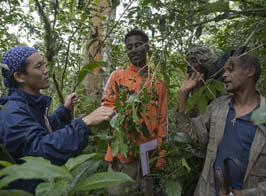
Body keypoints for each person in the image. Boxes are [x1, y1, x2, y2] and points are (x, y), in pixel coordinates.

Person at [0, 46, 114, 193]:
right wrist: (85, 122)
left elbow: (42, 131)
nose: (46, 70)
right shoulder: (12, 112)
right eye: (38, 66)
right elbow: (39, 151)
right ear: (20, 77)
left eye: (44, 64)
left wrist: (64, 112)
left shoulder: (28, 105)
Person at [176, 53, 266, 196]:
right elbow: (190, 135)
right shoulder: (218, 106)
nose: (224, 75)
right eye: (224, 71)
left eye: (230, 70)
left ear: (250, 71)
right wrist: (183, 95)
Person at [102, 29, 168, 195]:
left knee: (147, 191)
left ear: (147, 47)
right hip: (123, 157)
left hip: (148, 155)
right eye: (129, 47)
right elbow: (106, 109)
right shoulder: (118, 76)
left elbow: (162, 120)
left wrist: (161, 154)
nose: (133, 50)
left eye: (138, 45)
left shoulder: (158, 83)